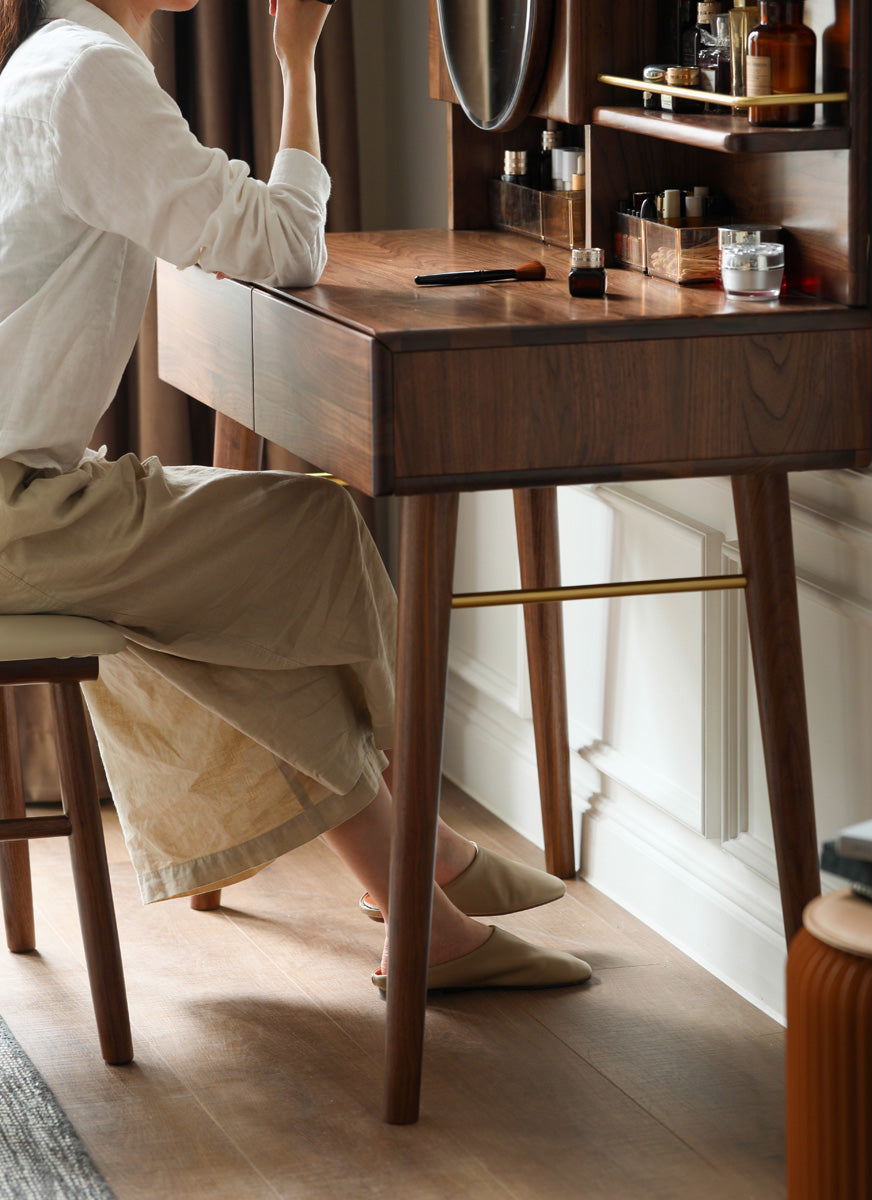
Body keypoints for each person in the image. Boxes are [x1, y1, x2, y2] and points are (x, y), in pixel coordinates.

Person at [0, 0, 591, 990]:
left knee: (260, 587)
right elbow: (286, 246)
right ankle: (423, 861)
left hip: (29, 499)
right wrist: (296, 57)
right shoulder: (88, 77)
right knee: (308, 530)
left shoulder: (53, 61)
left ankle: (422, 895)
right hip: (19, 515)